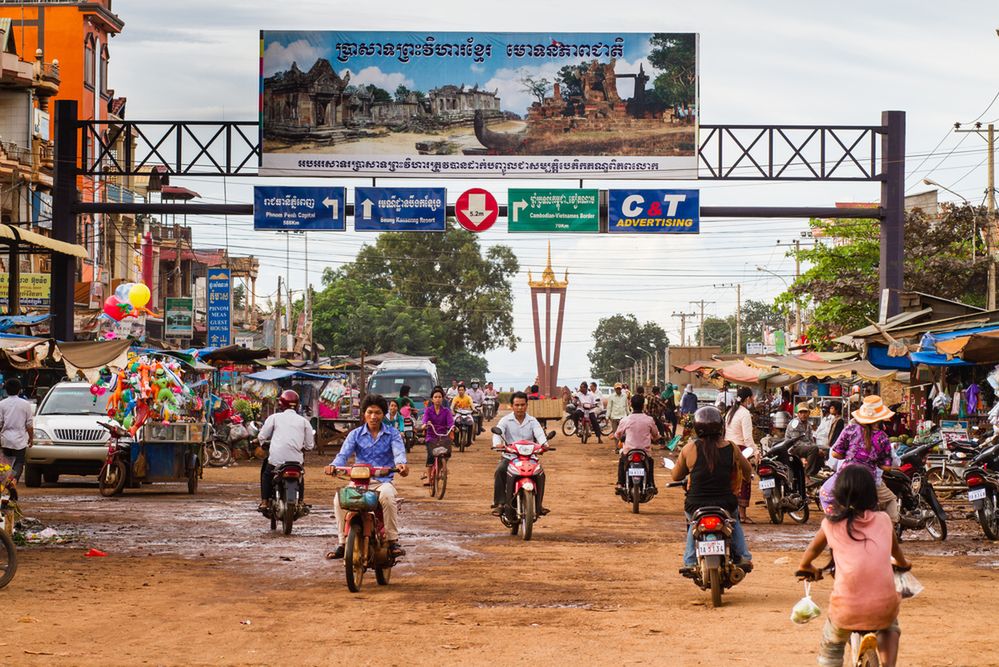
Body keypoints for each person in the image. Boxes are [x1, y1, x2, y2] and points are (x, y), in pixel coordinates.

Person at [798, 465, 910, 667]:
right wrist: (903, 564)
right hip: (883, 607)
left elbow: (812, 552)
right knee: (890, 627)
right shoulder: (884, 520)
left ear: (838, 495)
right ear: (872, 495)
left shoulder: (830, 524)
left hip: (846, 609)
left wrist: (806, 567)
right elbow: (897, 554)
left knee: (831, 647)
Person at [673, 406, 753, 575]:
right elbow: (747, 470)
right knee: (734, 520)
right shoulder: (731, 448)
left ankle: (690, 560)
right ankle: (743, 556)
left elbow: (676, 475)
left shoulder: (689, 449)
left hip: (695, 504)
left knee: (693, 523)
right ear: (721, 426)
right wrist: (745, 477)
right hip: (725, 503)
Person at [327, 394, 409, 560]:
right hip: (358, 483)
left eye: (378, 412)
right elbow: (343, 455)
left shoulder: (392, 434)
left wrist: (401, 464)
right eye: (370, 412)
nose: (373, 416)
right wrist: (334, 466)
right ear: (364, 413)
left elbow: (399, 452)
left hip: (382, 482)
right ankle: (342, 543)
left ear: (383, 414)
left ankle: (393, 541)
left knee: (387, 497)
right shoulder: (355, 435)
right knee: (338, 499)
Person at [820, 395, 899, 523]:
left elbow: (835, 454)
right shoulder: (883, 437)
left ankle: (834, 523)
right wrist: (874, 459)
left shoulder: (850, 429)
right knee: (889, 500)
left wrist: (851, 455)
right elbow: (887, 467)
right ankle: (891, 529)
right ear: (879, 418)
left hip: (845, 475)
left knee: (825, 493)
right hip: (868, 480)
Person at [492, 391, 549, 516]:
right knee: (500, 470)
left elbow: (539, 433)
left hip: (530, 458)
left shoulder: (532, 421)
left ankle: (538, 505)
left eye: (522, 405)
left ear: (527, 405)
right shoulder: (505, 420)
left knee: (541, 474)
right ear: (512, 406)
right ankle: (500, 503)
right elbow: (498, 433)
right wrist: (497, 444)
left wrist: (544, 444)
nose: (520, 408)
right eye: (517, 405)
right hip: (510, 457)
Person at [257, 390, 315, 511]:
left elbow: (262, 436)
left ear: (281, 404)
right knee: (300, 477)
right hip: (296, 461)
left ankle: (264, 502)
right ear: (297, 404)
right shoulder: (304, 421)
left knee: (267, 474)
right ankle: (300, 501)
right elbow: (310, 445)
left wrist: (261, 443)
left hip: (276, 460)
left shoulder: (274, 418)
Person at [615, 394, 660, 494]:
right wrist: (656, 439)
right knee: (650, 462)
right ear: (643, 405)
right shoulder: (649, 420)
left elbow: (617, 435)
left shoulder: (625, 420)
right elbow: (656, 435)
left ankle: (620, 483)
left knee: (622, 461)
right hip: (645, 451)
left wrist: (622, 438)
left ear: (631, 405)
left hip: (629, 451)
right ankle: (651, 484)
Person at [725, 386, 757, 524]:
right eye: (752, 397)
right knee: (745, 479)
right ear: (748, 398)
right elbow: (748, 438)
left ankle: (731, 512)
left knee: (731, 480)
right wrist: (756, 451)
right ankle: (742, 515)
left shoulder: (730, 412)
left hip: (728, 448)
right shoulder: (744, 414)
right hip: (741, 449)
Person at [0, 377, 33, 484]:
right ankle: (13, 480)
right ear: (19, 390)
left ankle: (5, 484)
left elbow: (0, 423)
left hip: (5, 439)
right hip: (19, 440)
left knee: (6, 463)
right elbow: (29, 424)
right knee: (19, 462)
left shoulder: (2, 404)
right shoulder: (25, 404)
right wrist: (31, 438)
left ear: (6, 390)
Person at [421, 386, 454, 483]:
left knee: (447, 452)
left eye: (439, 397)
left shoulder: (446, 411)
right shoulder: (428, 410)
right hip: (431, 436)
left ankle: (441, 468)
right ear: (432, 399)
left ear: (442, 398)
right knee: (431, 455)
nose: (437, 399)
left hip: (443, 436)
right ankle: (429, 477)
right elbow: (425, 420)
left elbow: (451, 423)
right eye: (435, 397)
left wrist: (453, 427)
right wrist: (425, 425)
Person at [786, 403, 825, 484]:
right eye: (801, 412)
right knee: (814, 449)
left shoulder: (808, 424)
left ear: (808, 413)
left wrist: (817, 449)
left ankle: (814, 474)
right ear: (798, 414)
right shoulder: (795, 423)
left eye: (805, 412)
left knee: (821, 453)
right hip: (793, 447)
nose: (803, 415)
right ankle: (806, 475)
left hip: (804, 448)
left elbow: (811, 440)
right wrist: (814, 448)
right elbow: (795, 442)